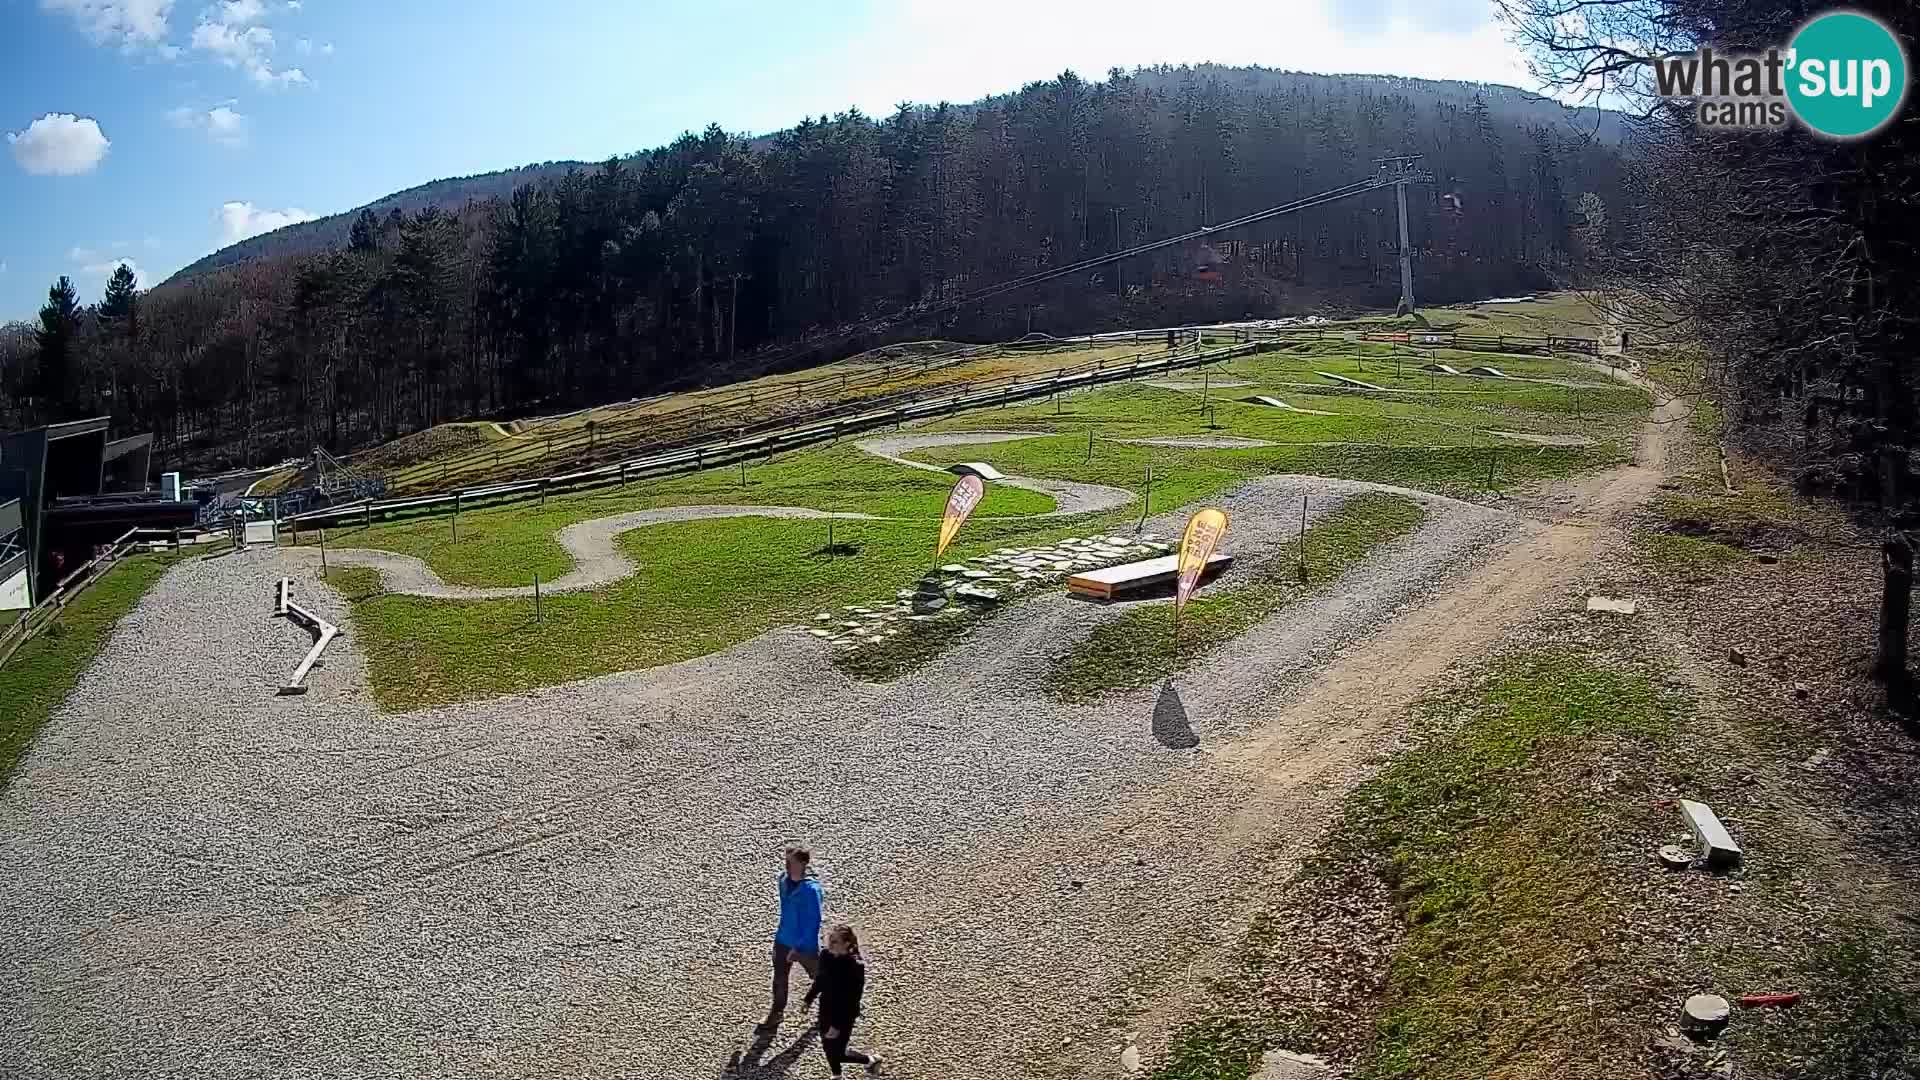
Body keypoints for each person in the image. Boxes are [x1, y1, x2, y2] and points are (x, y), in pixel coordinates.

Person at [758, 845, 823, 1032]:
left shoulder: (811, 890)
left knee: (819, 976)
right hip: (783, 939)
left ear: (803, 864)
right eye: (786, 861)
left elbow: (813, 922)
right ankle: (776, 1013)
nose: (786, 866)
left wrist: (798, 947)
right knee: (779, 978)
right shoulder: (783, 881)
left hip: (804, 945)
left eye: (791, 862)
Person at [816, 924, 882, 1076]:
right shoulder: (826, 955)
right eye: (829, 940)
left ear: (846, 944)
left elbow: (851, 1001)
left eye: (834, 941)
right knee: (827, 1047)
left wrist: (837, 1026)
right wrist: (808, 998)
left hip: (844, 1016)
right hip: (826, 1009)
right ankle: (837, 1076)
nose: (829, 944)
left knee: (838, 1053)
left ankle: (870, 1060)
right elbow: (820, 979)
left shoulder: (855, 967)